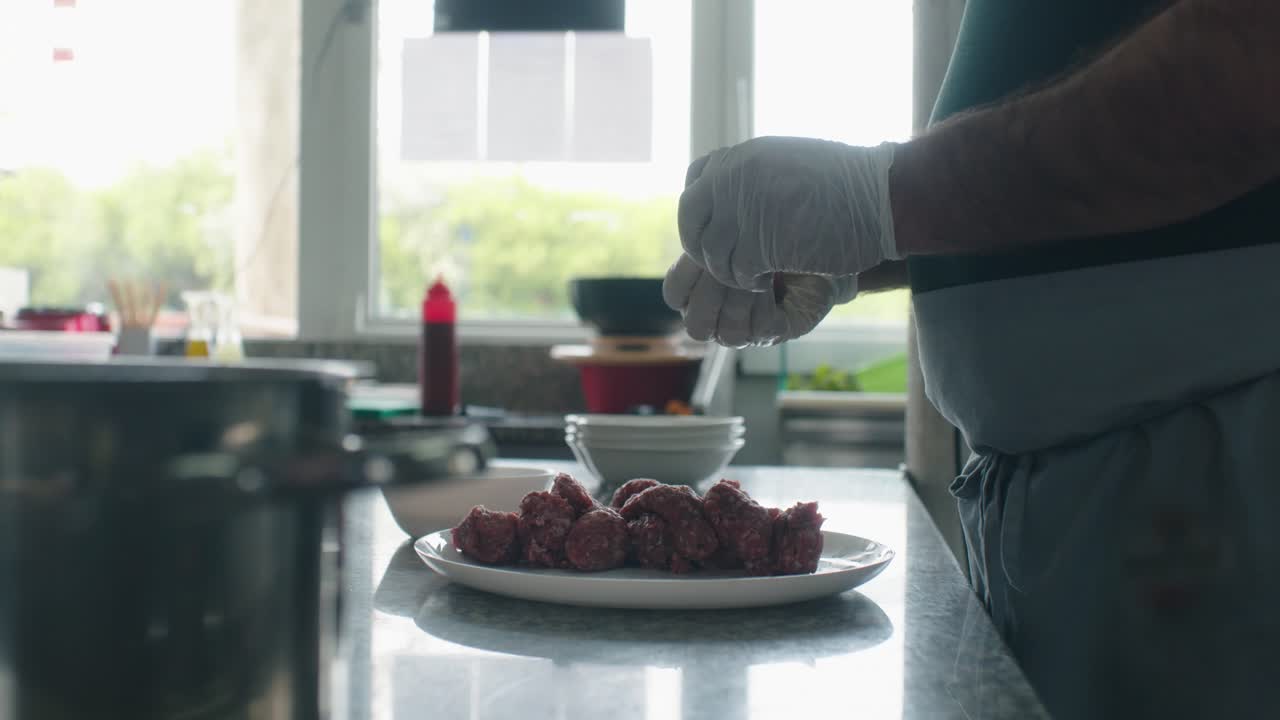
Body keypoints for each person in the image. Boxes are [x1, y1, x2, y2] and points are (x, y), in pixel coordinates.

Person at [663, 1, 1280, 717]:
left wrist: (887, 197)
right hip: (1100, 498)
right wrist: (863, 252)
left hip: (1222, 470)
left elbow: (1252, 61)